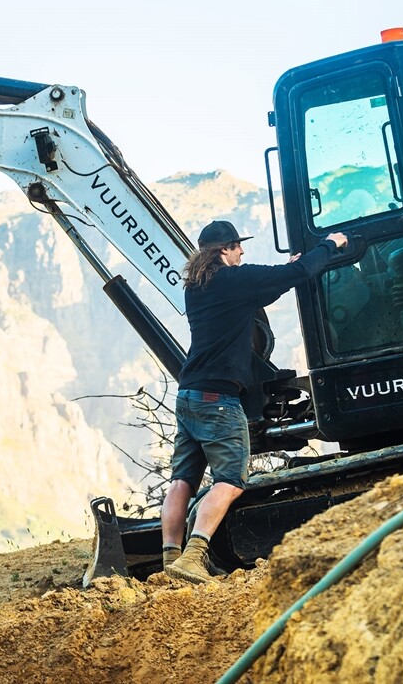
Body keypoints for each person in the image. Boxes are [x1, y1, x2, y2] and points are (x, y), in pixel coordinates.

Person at [163, 220, 348, 583]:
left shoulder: (197, 286)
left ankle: (169, 558)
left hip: (188, 395)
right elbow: (297, 273)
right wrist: (329, 244)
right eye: (236, 246)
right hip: (218, 399)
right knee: (231, 480)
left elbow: (261, 292)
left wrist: (288, 272)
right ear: (223, 250)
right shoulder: (234, 279)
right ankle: (193, 557)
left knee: (182, 479)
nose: (242, 251)